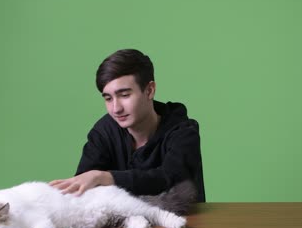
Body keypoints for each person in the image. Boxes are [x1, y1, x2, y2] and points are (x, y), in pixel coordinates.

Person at [50, 49, 206, 202]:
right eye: (108, 98)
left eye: (124, 95)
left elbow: (172, 179)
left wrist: (106, 177)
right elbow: (84, 191)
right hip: (119, 226)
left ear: (150, 90)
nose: (116, 108)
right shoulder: (103, 132)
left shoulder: (184, 132)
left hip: (184, 224)